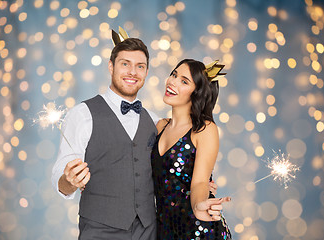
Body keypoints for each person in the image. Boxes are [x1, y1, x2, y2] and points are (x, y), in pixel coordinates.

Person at [51, 28, 222, 240]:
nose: (132, 72)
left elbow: (176, 170)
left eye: (139, 66)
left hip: (150, 232)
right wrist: (68, 182)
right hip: (99, 232)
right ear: (111, 66)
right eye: (125, 64)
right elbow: (62, 169)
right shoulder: (82, 114)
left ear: (146, 72)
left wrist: (199, 191)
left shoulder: (155, 122)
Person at [151, 59, 232, 239]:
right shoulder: (159, 126)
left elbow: (200, 183)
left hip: (198, 230)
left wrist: (199, 206)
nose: (172, 81)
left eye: (184, 81)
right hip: (164, 231)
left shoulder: (204, 129)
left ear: (197, 93)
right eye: (174, 74)